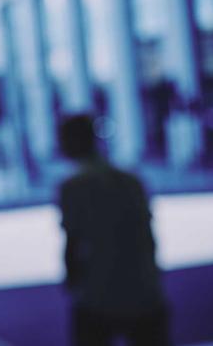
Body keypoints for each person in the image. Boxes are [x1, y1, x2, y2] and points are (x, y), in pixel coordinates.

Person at [57, 115, 170, 346]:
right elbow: (148, 235)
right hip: (144, 289)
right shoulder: (131, 180)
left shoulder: (73, 187)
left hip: (98, 294)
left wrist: (72, 280)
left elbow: (73, 242)